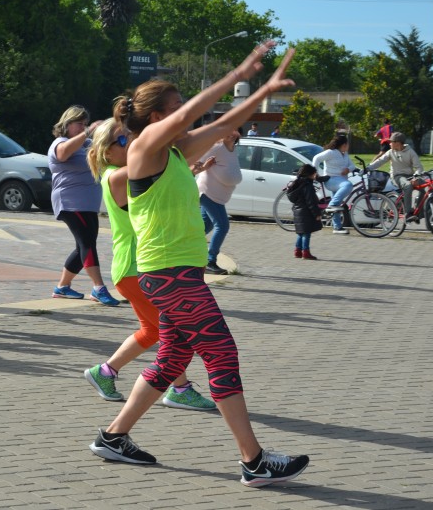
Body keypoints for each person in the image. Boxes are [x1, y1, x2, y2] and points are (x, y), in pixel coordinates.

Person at [89, 42, 310, 488]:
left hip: (176, 272)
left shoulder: (173, 152)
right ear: (156, 118)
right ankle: (254, 461)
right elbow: (195, 112)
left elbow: (224, 122)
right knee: (222, 353)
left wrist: (260, 89)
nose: (186, 115)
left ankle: (113, 437)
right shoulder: (144, 148)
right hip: (168, 274)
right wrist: (238, 73)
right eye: (174, 108)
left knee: (173, 356)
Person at [83, 118, 215, 411]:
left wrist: (187, 168)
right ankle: (179, 389)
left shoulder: (126, 173)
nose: (130, 142)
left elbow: (162, 175)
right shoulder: (115, 177)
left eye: (129, 136)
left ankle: (104, 372)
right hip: (136, 266)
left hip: (137, 266)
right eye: (122, 140)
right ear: (106, 152)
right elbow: (159, 163)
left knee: (154, 331)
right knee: (174, 333)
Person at [47, 106, 119, 306]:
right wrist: (88, 132)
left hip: (87, 204)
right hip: (71, 202)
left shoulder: (87, 144)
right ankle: (98, 288)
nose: (83, 127)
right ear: (67, 124)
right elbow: (62, 154)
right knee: (87, 243)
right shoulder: (59, 143)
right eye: (79, 124)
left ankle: (62, 287)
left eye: (85, 124)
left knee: (83, 246)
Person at [195, 130, 242, 275]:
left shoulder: (232, 150)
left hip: (218, 196)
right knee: (222, 225)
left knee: (204, 227)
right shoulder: (217, 148)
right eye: (228, 130)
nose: (231, 133)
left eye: (234, 130)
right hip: (208, 193)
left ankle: (182, 251)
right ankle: (210, 261)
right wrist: (204, 167)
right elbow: (197, 165)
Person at [368, 131, 424, 222]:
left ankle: (418, 211)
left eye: (391, 142)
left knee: (425, 185)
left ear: (397, 143)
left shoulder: (410, 152)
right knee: (408, 186)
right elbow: (380, 161)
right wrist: (368, 168)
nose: (389, 143)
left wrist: (416, 177)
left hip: (410, 176)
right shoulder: (390, 152)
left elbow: (419, 167)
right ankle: (408, 213)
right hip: (397, 176)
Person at [311, 135, 356, 235]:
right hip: (331, 180)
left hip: (339, 182)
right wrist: (315, 172)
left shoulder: (345, 154)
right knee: (348, 186)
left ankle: (337, 227)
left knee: (337, 203)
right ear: (344, 144)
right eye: (348, 143)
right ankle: (331, 206)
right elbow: (316, 158)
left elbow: (352, 165)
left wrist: (348, 169)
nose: (348, 145)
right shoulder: (331, 152)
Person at [286, 164, 322, 260]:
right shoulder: (307, 185)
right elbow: (311, 202)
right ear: (310, 174)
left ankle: (297, 251)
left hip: (298, 211)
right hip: (306, 212)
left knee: (301, 233)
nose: (315, 176)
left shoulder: (297, 183)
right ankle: (305, 252)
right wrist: (317, 214)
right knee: (307, 233)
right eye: (314, 174)